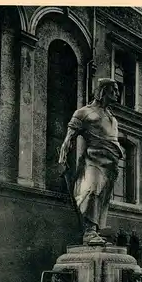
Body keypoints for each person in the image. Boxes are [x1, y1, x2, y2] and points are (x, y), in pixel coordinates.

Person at [59, 78, 123, 245]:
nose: (117, 94)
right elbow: (69, 138)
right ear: (102, 91)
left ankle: (94, 231)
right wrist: (62, 158)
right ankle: (89, 233)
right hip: (94, 159)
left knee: (102, 197)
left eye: (117, 90)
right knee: (91, 190)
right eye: (113, 90)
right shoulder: (84, 112)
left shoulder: (112, 117)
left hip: (111, 164)